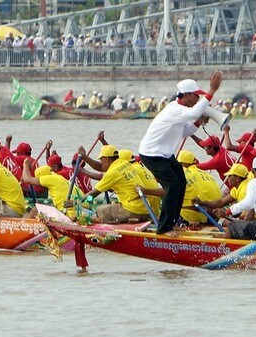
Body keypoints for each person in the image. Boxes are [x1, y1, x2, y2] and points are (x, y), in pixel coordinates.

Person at [138, 71, 222, 234]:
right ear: (186, 95)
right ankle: (164, 228)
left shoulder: (181, 111)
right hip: (151, 154)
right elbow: (192, 113)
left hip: (165, 155)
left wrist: (199, 122)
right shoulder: (175, 109)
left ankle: (172, 222)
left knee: (181, 183)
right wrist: (212, 90)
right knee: (172, 186)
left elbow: (186, 131)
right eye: (196, 96)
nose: (198, 98)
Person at [80, 145, 148, 223]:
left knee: (100, 210)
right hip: (145, 207)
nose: (101, 163)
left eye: (101, 160)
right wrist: (85, 157)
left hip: (132, 209)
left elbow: (94, 194)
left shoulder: (112, 173)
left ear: (107, 159)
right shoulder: (125, 162)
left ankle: (112, 226)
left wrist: (79, 202)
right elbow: (101, 168)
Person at [175, 150, 222, 225]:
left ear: (183, 164)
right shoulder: (204, 173)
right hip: (216, 210)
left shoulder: (187, 173)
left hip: (203, 213)